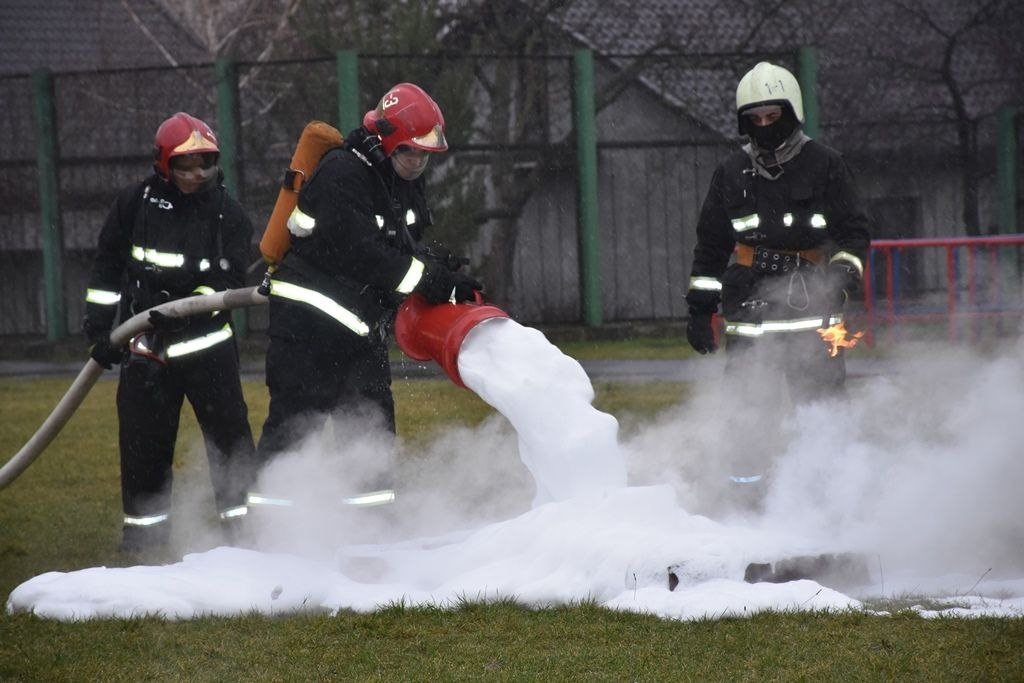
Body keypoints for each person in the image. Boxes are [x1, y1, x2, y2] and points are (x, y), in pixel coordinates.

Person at [249, 82, 481, 509]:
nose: (419, 163)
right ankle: (266, 542)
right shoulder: (342, 174)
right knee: (293, 438)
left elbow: (400, 244)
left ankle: (372, 537)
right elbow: (365, 256)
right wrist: (433, 281)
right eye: (412, 152)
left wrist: (440, 267)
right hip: (307, 331)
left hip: (358, 332)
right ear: (385, 144)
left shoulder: (398, 179)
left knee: (370, 437)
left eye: (426, 155)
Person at [83, 112, 257, 551]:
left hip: (209, 349)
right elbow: (107, 267)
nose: (197, 175)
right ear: (163, 164)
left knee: (230, 444)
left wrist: (187, 308)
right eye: (186, 165)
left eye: (206, 164)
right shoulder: (134, 204)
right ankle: (144, 540)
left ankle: (244, 535)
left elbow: (232, 280)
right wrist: (100, 331)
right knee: (144, 448)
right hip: (147, 350)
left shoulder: (227, 213)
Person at [684, 61, 871, 400]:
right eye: (755, 120)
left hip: (814, 308)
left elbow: (854, 232)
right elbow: (711, 245)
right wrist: (700, 310)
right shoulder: (731, 172)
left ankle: (827, 454)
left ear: (792, 113)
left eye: (772, 117)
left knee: (821, 409)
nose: (765, 126)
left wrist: (842, 275)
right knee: (749, 413)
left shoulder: (826, 164)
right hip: (749, 310)